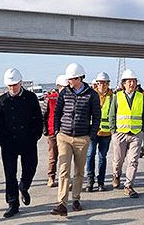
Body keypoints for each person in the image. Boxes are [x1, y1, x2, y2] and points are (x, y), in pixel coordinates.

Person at [51, 63, 100, 216]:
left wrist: (90, 136)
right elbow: (57, 112)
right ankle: (62, 203)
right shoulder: (64, 93)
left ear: (79, 78)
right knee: (64, 169)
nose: (69, 82)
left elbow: (96, 116)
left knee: (79, 171)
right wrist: (58, 131)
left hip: (82, 138)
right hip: (64, 137)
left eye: (71, 79)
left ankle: (76, 198)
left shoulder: (92, 94)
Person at [0, 68, 43, 218]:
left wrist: (34, 136)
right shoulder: (3, 99)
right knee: (10, 174)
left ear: (21, 83)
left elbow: (38, 120)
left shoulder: (31, 97)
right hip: (9, 143)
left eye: (15, 85)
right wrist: (0, 139)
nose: (12, 88)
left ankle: (24, 186)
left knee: (31, 167)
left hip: (28, 141)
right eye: (9, 86)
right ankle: (12, 204)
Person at [109, 69, 144, 198]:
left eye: (134, 81)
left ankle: (128, 185)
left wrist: (143, 130)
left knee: (133, 161)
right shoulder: (117, 96)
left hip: (136, 134)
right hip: (120, 133)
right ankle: (116, 175)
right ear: (124, 84)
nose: (131, 84)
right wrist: (113, 131)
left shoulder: (140, 97)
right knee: (118, 160)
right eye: (129, 81)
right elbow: (112, 114)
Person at [85, 72, 113, 192]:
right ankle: (90, 180)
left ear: (108, 84)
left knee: (102, 157)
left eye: (104, 83)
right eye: (100, 83)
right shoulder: (91, 95)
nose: (102, 85)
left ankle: (101, 182)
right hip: (93, 132)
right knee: (90, 155)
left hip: (106, 133)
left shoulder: (112, 97)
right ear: (96, 84)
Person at [41, 75, 68, 188]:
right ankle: (51, 177)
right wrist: (45, 130)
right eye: (63, 87)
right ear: (58, 86)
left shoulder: (70, 98)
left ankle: (65, 179)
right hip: (52, 132)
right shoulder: (50, 98)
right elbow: (43, 114)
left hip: (66, 132)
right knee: (53, 156)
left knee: (65, 157)